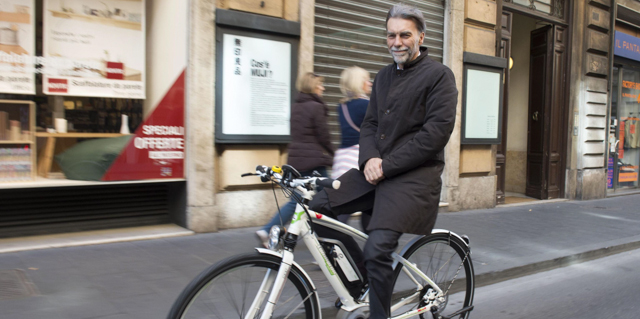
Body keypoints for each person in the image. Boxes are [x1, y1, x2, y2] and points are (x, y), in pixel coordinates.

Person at [309, 4, 458, 319]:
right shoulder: (384, 76)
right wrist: (371, 158)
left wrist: (385, 165)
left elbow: (434, 135)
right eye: (391, 35)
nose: (397, 42)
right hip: (375, 171)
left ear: (420, 36)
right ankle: (362, 280)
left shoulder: (440, 76)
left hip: (413, 179)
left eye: (405, 34)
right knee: (317, 208)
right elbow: (370, 125)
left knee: (377, 250)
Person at [256, 72, 334, 247]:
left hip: (296, 159)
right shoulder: (316, 106)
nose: (323, 87)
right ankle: (324, 240)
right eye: (320, 84)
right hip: (313, 161)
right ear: (313, 86)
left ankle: (269, 229)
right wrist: (333, 154)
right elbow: (324, 136)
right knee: (324, 199)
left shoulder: (296, 106)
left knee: (298, 199)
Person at [333, 66, 372, 229]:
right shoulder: (367, 105)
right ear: (359, 83)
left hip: (343, 159)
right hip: (359, 159)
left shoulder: (341, 107)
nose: (370, 83)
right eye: (367, 80)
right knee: (370, 202)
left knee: (345, 204)